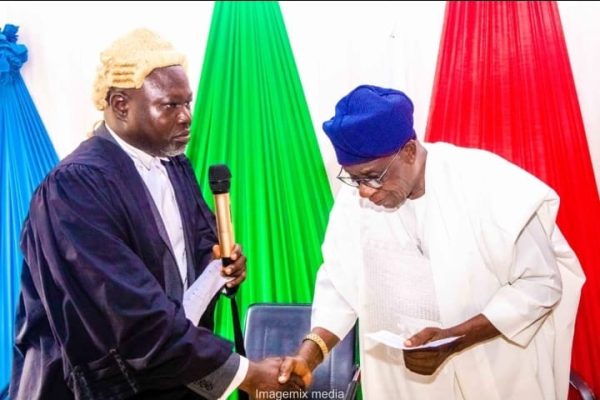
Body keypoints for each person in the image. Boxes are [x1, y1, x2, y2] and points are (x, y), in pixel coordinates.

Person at [9, 29, 307, 400]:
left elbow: (197, 244)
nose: (187, 117)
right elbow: (125, 311)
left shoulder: (174, 164)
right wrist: (245, 374)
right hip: (107, 389)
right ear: (121, 105)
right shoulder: (74, 188)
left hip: (175, 375)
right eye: (170, 106)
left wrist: (220, 267)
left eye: (188, 103)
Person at [279, 85, 585, 399]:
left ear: (409, 151)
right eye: (354, 179)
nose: (364, 191)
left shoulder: (487, 184)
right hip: (406, 385)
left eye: (373, 176)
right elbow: (340, 286)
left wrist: (456, 338)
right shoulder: (354, 204)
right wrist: (309, 356)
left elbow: (541, 283)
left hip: (496, 372)